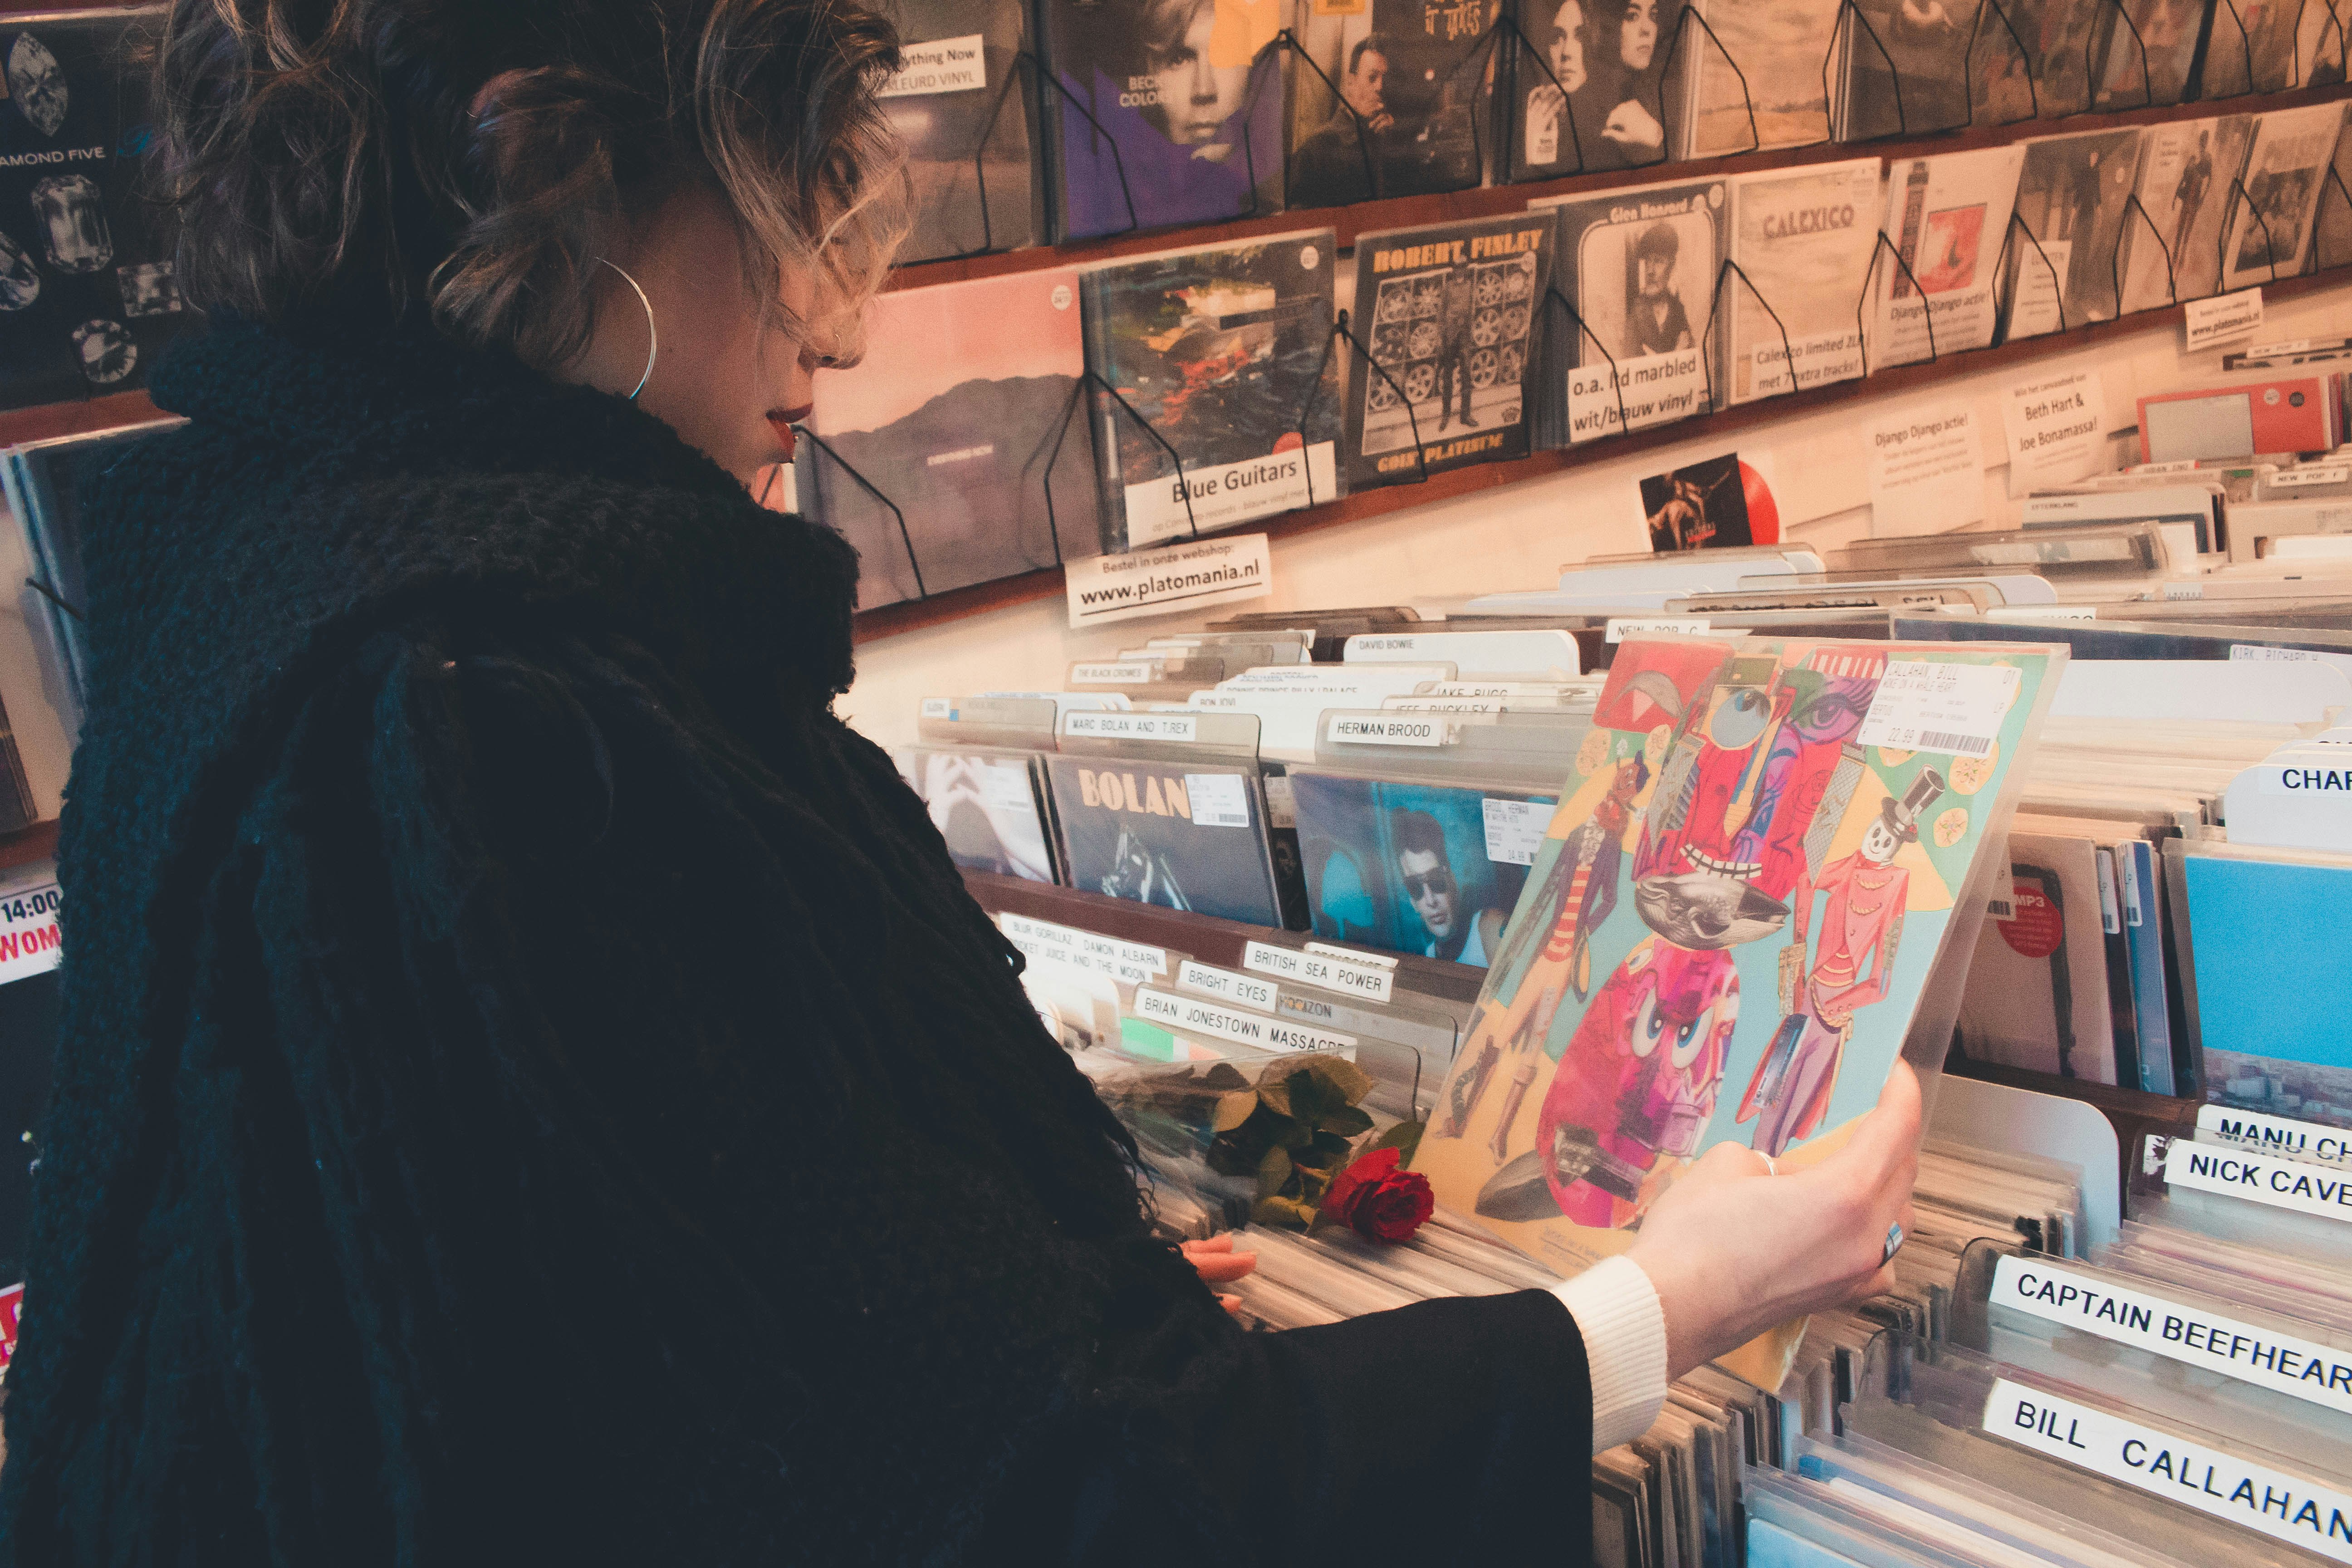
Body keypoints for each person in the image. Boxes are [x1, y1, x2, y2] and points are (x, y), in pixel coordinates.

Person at [0, 3, 1922, 1563]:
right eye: (774, 205)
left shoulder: (264, 590)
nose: (827, 331)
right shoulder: (508, 722)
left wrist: (996, 1266)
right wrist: (1661, 1298)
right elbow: (1072, 1506)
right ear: (546, 176)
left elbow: (648, 1335)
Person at [1391, 810, 1505, 964]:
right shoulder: (1431, 953)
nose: (1431, 901)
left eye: (1436, 881)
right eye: (1415, 888)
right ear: (1413, 902)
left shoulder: (1490, 927)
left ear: (1454, 881)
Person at [1289, 34, 1392, 207]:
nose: (1380, 87)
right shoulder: (1318, 147)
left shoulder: (1382, 138)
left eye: (1385, 79)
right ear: (1351, 83)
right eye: (1372, 78)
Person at [1626, 221, 1694, 355]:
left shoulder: (1678, 310)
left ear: (1671, 267)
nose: (1650, 271)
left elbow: (1692, 357)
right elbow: (1628, 363)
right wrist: (1676, 353)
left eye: (1658, 261)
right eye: (1648, 261)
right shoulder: (1636, 311)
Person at [1434, 264, 1478, 433]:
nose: (1460, 272)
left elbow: (1473, 309)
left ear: (1465, 271)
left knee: (1467, 375)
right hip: (1450, 335)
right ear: (1454, 271)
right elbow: (1441, 314)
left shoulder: (1470, 287)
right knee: (1447, 376)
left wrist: (1470, 331)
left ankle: (1465, 416)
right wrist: (1441, 336)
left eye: (1463, 269)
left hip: (1464, 335)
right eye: (1458, 269)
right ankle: (1446, 415)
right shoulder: (1448, 288)